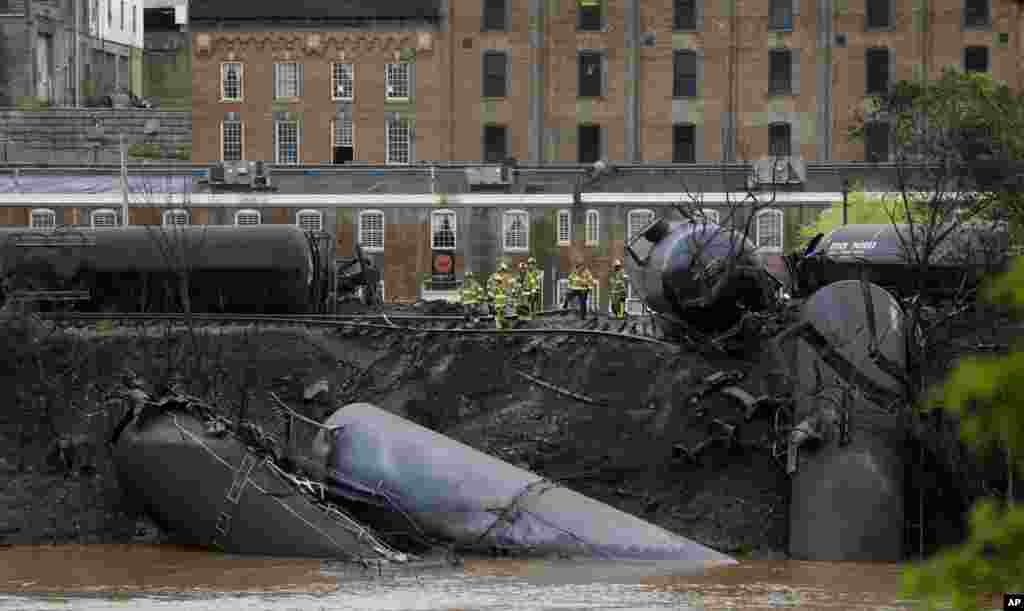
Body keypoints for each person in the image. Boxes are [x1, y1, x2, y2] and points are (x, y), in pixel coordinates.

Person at [488, 261, 512, 330]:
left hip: (503, 303)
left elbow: (509, 288)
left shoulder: (507, 277)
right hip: (497, 303)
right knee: (497, 316)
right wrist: (490, 291)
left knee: (502, 315)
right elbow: (489, 285)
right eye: (502, 270)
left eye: (504, 271)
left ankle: (504, 326)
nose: (503, 272)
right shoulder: (494, 276)